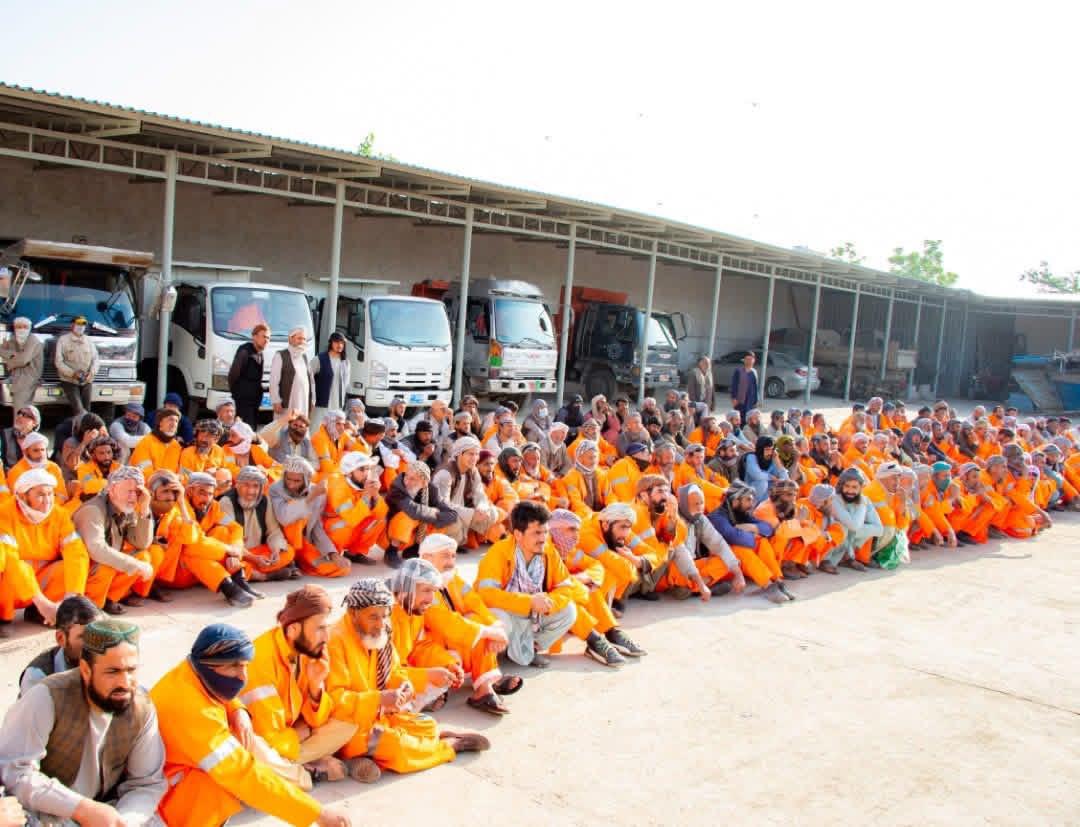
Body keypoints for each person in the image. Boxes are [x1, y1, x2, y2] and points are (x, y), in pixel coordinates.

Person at [152, 624, 351, 826]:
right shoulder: (193, 711)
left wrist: (238, 709)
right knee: (221, 784)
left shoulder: (191, 670)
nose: (243, 676)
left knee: (245, 744)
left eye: (245, 665)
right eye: (235, 666)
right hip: (163, 798)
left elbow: (211, 692)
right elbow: (244, 775)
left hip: (178, 766)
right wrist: (318, 814)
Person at [0, 619, 166, 826]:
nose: (125, 683)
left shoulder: (141, 707)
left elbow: (146, 784)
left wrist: (123, 821)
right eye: (113, 672)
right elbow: (16, 772)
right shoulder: (46, 697)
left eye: (131, 670)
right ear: (86, 670)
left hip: (110, 810)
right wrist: (81, 809)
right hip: (49, 812)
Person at [327, 578, 490, 774]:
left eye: (384, 616)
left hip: (379, 716)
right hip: (348, 725)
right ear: (353, 613)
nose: (380, 624)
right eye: (373, 617)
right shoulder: (335, 641)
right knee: (395, 746)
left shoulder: (380, 632)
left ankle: (373, 755)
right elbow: (334, 701)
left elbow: (394, 671)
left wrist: (411, 683)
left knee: (426, 725)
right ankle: (449, 747)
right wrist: (379, 698)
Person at [239, 585, 365, 789]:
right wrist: (298, 733)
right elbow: (268, 737)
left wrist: (316, 686)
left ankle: (287, 770)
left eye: (327, 627)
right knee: (261, 753)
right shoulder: (261, 661)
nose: (327, 637)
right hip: (262, 741)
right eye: (320, 628)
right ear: (293, 630)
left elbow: (317, 719)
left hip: (288, 736)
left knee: (349, 721)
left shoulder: (306, 650)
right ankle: (304, 773)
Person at [417, 535, 524, 708]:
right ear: (427, 558)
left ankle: (485, 685)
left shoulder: (450, 577)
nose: (451, 561)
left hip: (450, 639)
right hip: (425, 649)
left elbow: (474, 602)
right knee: (477, 631)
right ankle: (437, 691)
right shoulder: (420, 584)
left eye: (453, 556)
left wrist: (494, 626)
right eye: (445, 556)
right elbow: (445, 623)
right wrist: (488, 632)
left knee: (478, 621)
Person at [475, 501, 578, 667]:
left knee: (569, 611)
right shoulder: (498, 553)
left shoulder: (548, 551)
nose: (543, 538)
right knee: (497, 619)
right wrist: (529, 602)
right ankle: (490, 661)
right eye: (536, 533)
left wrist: (548, 603)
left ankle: (531, 648)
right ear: (518, 534)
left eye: (545, 532)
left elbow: (565, 587)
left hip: (535, 613)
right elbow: (486, 594)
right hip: (507, 611)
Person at [148, 471, 258, 608]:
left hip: (198, 568)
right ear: (189, 491)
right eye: (201, 493)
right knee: (190, 549)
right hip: (176, 572)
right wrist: (228, 550)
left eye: (210, 494)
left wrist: (235, 549)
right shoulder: (176, 508)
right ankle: (233, 582)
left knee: (222, 531)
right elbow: (194, 540)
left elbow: (236, 528)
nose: (206, 498)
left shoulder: (214, 507)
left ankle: (236, 583)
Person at [546, 509, 641, 666]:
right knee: (570, 595)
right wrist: (577, 583)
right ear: (555, 530)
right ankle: (594, 639)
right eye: (570, 529)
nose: (576, 535)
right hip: (549, 609)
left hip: (568, 604)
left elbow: (595, 565)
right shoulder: (544, 551)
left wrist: (586, 578)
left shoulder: (568, 550)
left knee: (591, 587)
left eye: (577, 529)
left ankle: (610, 632)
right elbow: (552, 586)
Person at [0, 468, 90, 622]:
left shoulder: (59, 514)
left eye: (50, 494)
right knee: (14, 566)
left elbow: (76, 551)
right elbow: (10, 560)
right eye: (41, 495)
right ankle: (5, 616)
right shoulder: (5, 513)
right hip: (11, 583)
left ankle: (39, 612)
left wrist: (71, 598)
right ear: (22, 495)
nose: (48, 500)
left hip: (39, 579)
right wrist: (43, 603)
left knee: (71, 567)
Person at [72, 465, 158, 613]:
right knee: (109, 564)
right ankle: (90, 608)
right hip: (78, 572)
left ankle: (109, 599)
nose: (133, 497)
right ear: (112, 490)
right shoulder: (93, 510)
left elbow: (141, 543)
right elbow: (97, 550)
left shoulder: (125, 507)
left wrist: (144, 509)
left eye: (137, 492)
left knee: (143, 557)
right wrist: (134, 564)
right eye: (129, 491)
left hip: (97, 570)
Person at [707, 480, 791, 602]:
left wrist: (753, 528)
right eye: (748, 500)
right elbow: (732, 536)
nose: (751, 504)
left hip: (735, 564)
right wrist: (754, 535)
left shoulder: (741, 513)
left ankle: (777, 580)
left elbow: (768, 528)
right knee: (740, 548)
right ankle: (767, 585)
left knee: (762, 542)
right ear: (736, 500)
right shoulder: (717, 517)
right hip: (721, 563)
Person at [657, 483, 745, 599]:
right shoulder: (672, 517)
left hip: (693, 567)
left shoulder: (700, 519)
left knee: (725, 562)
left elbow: (718, 544)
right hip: (672, 569)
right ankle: (700, 588)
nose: (699, 507)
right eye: (695, 503)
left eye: (701, 503)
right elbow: (679, 554)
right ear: (684, 502)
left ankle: (692, 589)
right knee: (678, 569)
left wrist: (739, 575)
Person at [269, 455, 351, 578]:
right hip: (281, 545)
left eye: (297, 481)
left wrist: (333, 553)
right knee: (296, 514)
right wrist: (311, 497)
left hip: (304, 543)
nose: (291, 485)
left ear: (306, 479)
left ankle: (301, 560)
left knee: (340, 569)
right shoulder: (275, 489)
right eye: (288, 479)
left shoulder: (318, 492)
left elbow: (316, 527)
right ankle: (290, 562)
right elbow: (284, 518)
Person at [219, 465, 298, 581]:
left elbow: (273, 531)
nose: (251, 491)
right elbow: (228, 539)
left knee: (288, 551)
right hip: (237, 553)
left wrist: (276, 550)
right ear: (238, 485)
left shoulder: (265, 501)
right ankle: (263, 576)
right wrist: (253, 558)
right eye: (246, 485)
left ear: (261, 488)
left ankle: (253, 572)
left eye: (255, 486)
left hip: (258, 552)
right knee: (229, 563)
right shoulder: (226, 502)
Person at [18, 595, 101, 697]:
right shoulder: (38, 677)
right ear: (61, 638)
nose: (94, 643)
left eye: (98, 635)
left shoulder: (109, 660)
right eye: (84, 637)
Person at [385, 460, 459, 568]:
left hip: (411, 537)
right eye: (406, 476)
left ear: (424, 482)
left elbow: (452, 514)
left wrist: (437, 515)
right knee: (407, 516)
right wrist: (434, 512)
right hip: (390, 535)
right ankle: (391, 551)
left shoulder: (432, 490)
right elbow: (412, 510)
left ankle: (417, 548)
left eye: (412, 479)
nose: (407, 481)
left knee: (443, 521)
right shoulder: (397, 488)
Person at [431, 436, 503, 547]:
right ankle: (446, 544)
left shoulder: (473, 470)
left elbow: (480, 494)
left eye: (476, 454)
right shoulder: (445, 473)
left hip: (462, 511)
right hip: (439, 515)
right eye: (470, 454)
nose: (474, 458)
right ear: (459, 454)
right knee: (454, 520)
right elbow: (442, 504)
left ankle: (462, 540)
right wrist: (470, 514)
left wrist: (481, 508)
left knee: (492, 512)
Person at [323, 452, 387, 562]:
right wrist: (367, 494)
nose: (366, 473)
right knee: (343, 526)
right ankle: (333, 554)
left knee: (380, 520)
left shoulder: (360, 482)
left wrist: (375, 494)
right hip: (329, 528)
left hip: (350, 521)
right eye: (362, 470)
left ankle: (355, 552)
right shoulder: (338, 485)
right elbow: (351, 518)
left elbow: (381, 513)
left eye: (368, 469)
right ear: (348, 473)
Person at [821, 468, 884, 573]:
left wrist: (862, 501)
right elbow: (854, 525)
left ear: (861, 488)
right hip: (828, 539)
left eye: (855, 487)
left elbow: (879, 529)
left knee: (852, 528)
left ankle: (847, 557)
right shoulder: (835, 499)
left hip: (848, 533)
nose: (850, 491)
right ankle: (825, 560)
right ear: (841, 486)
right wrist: (862, 503)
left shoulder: (864, 499)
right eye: (847, 486)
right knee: (841, 527)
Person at [54, 316, 98, 417]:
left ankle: (85, 430)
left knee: (87, 409)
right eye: (78, 324)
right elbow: (58, 362)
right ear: (72, 325)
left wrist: (92, 372)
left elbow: (96, 359)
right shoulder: (63, 340)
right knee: (79, 409)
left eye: (83, 324)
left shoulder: (89, 340)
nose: (80, 327)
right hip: (69, 381)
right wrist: (73, 374)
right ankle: (78, 429)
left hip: (87, 380)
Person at [228, 323, 270, 428]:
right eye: (264, 336)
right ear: (254, 336)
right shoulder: (244, 351)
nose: (266, 340)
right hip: (243, 400)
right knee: (243, 430)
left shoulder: (260, 353)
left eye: (268, 338)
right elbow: (233, 375)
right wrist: (237, 391)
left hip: (254, 400)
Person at [0, 316, 42, 417]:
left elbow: (23, 360)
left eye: (25, 326)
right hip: (17, 378)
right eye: (19, 327)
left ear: (29, 328)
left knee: (20, 411)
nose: (22, 329)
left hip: (28, 379)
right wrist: (13, 355)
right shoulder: (14, 338)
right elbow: (1, 350)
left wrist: (10, 362)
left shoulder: (33, 340)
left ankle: (19, 431)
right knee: (23, 411)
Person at [270, 327, 314, 420]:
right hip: (287, 404)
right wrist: (276, 401)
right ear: (290, 339)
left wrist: (313, 400)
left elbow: (311, 381)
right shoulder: (280, 355)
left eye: (304, 339)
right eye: (299, 338)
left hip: (303, 403)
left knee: (300, 429)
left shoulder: (305, 357)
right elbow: (274, 381)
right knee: (283, 430)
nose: (302, 341)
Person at [129, 408, 183, 480]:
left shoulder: (177, 446)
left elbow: (182, 475)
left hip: (170, 487)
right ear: (160, 423)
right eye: (170, 420)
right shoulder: (146, 442)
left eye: (176, 421)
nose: (173, 424)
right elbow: (144, 473)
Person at [311, 331, 350, 430]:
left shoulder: (345, 362)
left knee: (333, 429)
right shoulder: (319, 359)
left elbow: (346, 384)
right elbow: (308, 378)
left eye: (342, 343)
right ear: (330, 343)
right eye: (337, 342)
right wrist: (312, 398)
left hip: (338, 403)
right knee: (316, 428)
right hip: (321, 402)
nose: (339, 345)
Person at [0, 405, 40, 471]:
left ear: (34, 423)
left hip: (32, 476)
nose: (20, 416)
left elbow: (43, 463)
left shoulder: (38, 440)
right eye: (19, 413)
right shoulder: (3, 434)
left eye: (25, 415)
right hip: (9, 476)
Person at [730, 352, 759, 422]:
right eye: (747, 359)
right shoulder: (738, 371)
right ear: (744, 360)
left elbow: (756, 387)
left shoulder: (754, 372)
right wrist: (734, 398)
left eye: (751, 359)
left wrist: (756, 400)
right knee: (739, 418)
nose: (749, 361)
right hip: (740, 400)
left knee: (749, 418)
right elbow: (734, 385)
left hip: (750, 400)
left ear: (754, 360)